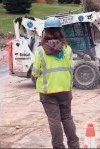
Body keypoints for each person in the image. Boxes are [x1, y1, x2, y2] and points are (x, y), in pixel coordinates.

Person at [31, 17, 80, 149]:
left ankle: (58, 147)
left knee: (54, 120)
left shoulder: (40, 51)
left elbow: (35, 72)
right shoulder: (67, 49)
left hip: (47, 92)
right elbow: (71, 67)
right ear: (60, 31)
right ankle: (74, 146)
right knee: (67, 118)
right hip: (65, 90)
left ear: (45, 32)